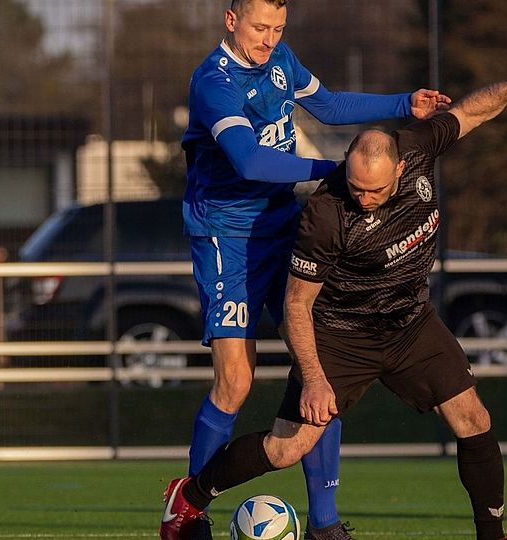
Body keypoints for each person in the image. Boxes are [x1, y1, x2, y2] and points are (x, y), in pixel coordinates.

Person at [160, 46, 507, 540]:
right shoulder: (326, 215)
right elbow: (297, 304)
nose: (363, 198)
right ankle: (192, 497)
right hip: (344, 334)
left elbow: (469, 111)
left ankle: (492, 536)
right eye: (354, 186)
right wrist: (314, 380)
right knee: (287, 448)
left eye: (373, 191)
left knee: (473, 417)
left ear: (400, 168)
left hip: (410, 323)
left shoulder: (418, 147)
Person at [163, 0, 450, 538]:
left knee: (325, 368)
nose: (269, 39)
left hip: (284, 227)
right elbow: (250, 162)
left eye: (277, 28)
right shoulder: (213, 83)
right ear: (231, 21)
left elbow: (331, 105)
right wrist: (338, 171)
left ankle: (324, 524)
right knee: (236, 382)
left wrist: (402, 105)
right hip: (228, 238)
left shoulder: (281, 60)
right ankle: (187, 510)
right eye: (258, 27)